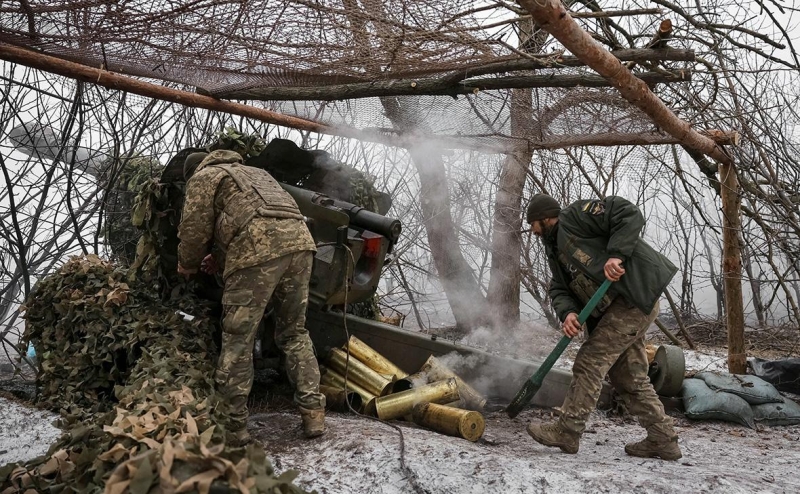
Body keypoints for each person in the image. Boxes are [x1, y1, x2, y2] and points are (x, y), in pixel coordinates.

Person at [177, 149, 326, 445]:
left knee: (238, 337)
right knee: (294, 333)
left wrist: (188, 264)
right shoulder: (257, 174)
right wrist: (219, 257)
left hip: (257, 251)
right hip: (301, 247)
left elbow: (194, 229)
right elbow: (253, 217)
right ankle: (313, 414)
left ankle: (233, 427)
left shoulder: (204, 176)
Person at [524, 193, 682, 460]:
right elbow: (559, 287)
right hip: (614, 309)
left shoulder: (575, 216)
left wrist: (616, 254)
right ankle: (662, 438)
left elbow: (626, 211)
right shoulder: (554, 249)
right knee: (628, 376)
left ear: (545, 216)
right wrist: (569, 313)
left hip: (632, 297)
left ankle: (568, 430)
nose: (532, 231)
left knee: (590, 359)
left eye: (533, 224)